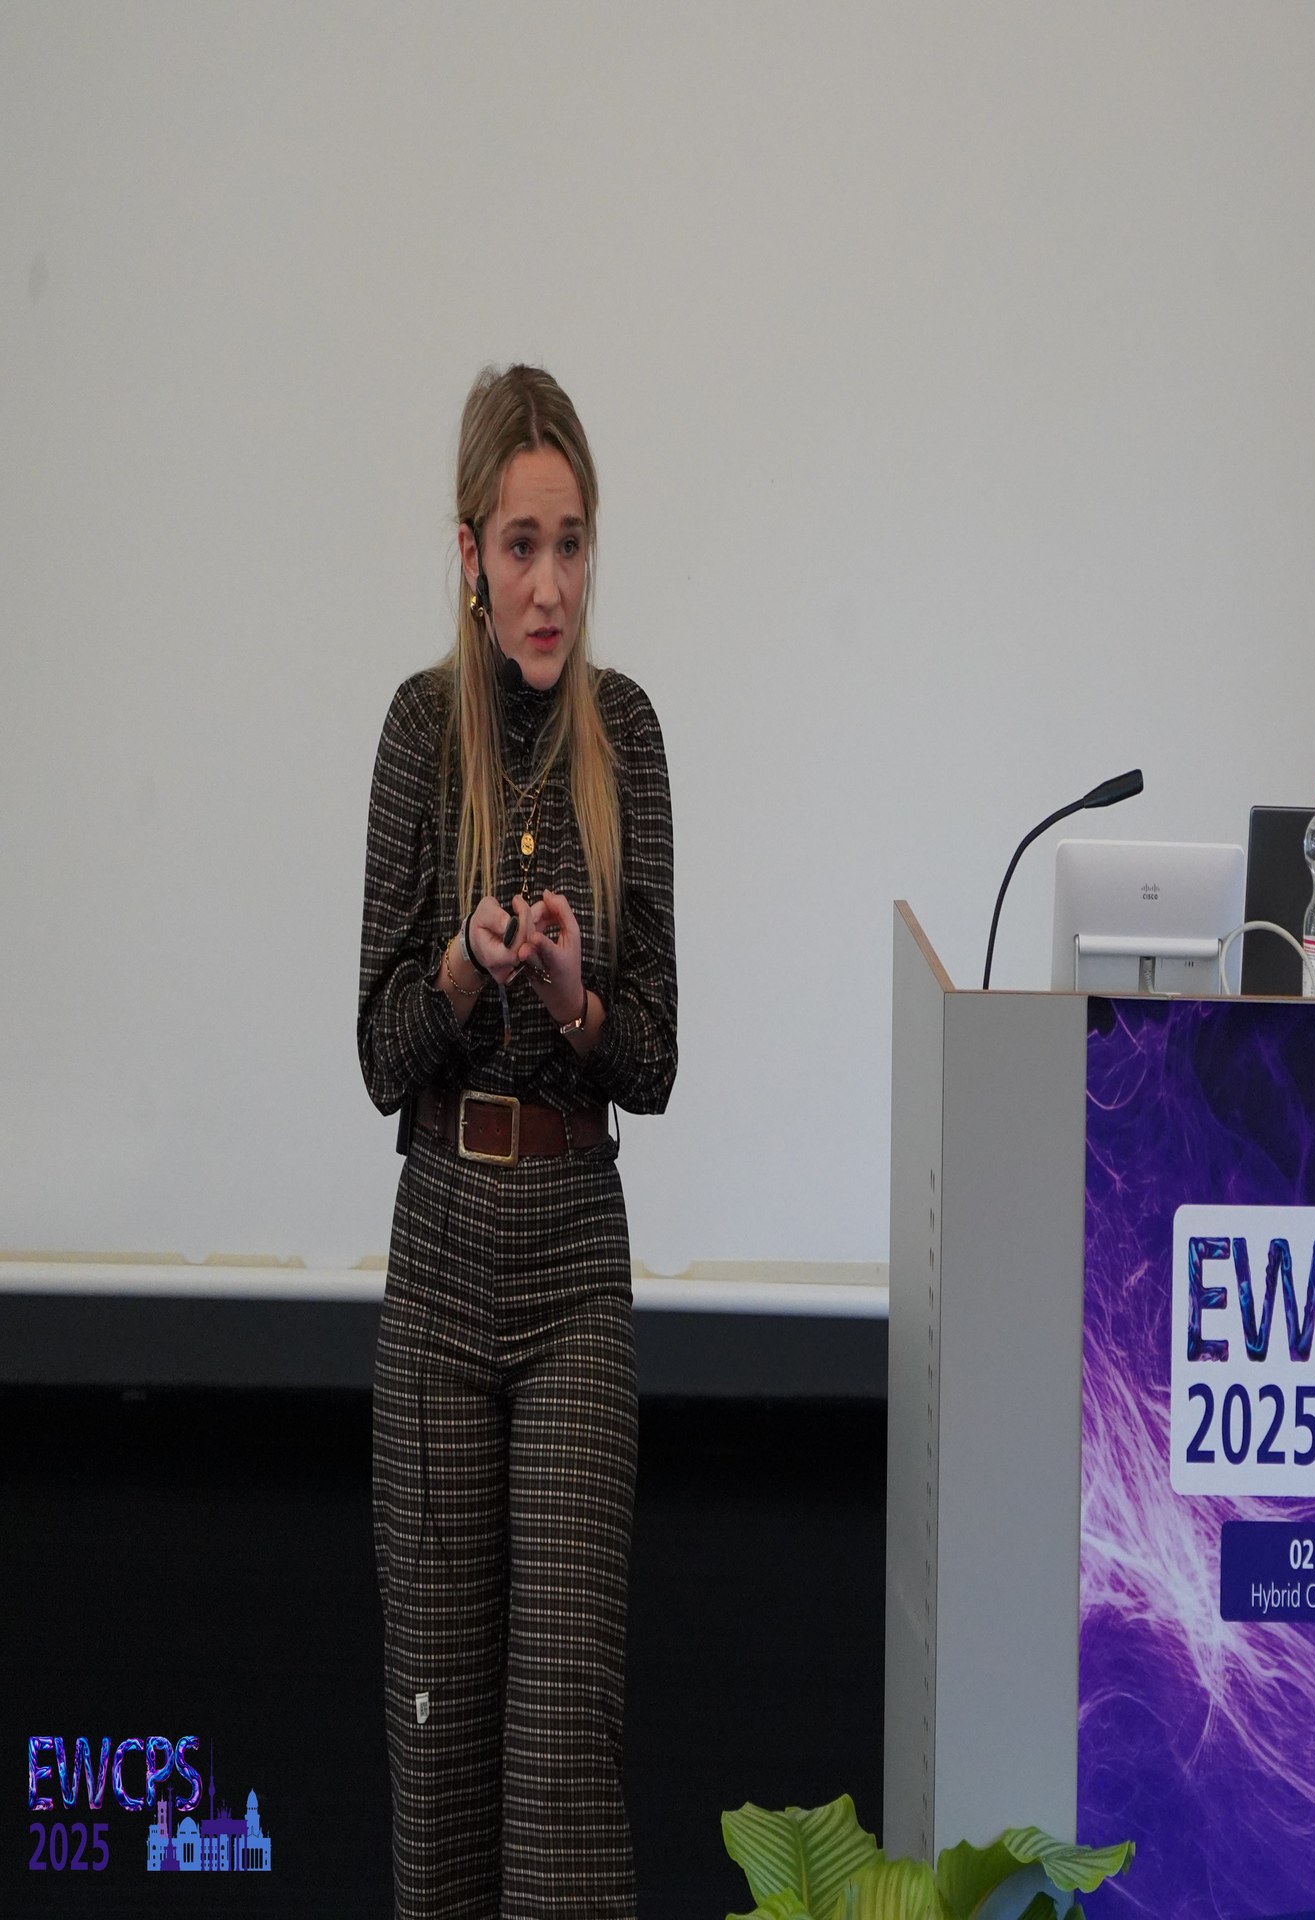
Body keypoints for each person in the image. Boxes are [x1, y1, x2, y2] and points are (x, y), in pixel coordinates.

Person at [356, 363, 676, 1918]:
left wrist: (572, 1000)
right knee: (439, 1750)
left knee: (559, 1757)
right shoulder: (424, 732)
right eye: (520, 546)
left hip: (570, 1265)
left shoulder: (628, 735)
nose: (549, 585)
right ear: (470, 555)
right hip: (437, 1260)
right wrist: (463, 970)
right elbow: (377, 1056)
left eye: (572, 543)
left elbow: (657, 1060)